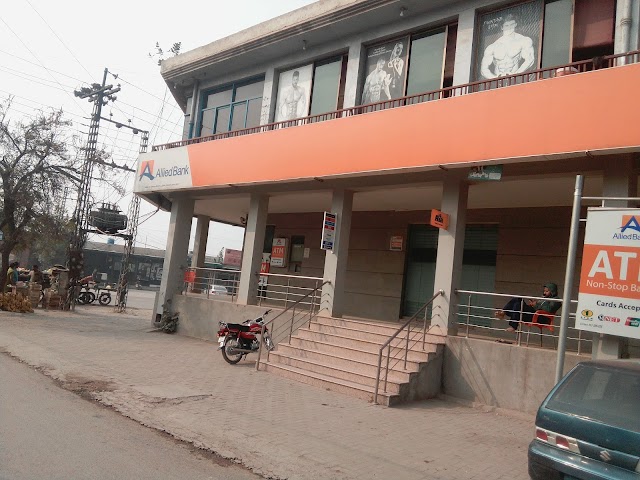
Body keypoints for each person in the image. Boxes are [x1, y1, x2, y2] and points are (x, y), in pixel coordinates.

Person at [480, 14, 535, 79]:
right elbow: (483, 69)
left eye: (512, 24)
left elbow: (530, 60)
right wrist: (494, 78)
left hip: (516, 79)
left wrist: (516, 74)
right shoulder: (493, 46)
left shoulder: (523, 41)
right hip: (497, 80)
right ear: (502, 27)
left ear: (515, 24)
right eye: (506, 26)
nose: (509, 28)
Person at [495, 282, 561, 332]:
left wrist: (536, 305)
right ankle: (503, 312)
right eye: (544, 291)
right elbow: (539, 306)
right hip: (533, 312)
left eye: (547, 291)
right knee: (518, 300)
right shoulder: (544, 298)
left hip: (540, 317)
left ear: (552, 291)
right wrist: (533, 304)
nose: (544, 293)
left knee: (518, 305)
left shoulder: (556, 300)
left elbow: (550, 309)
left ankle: (513, 325)